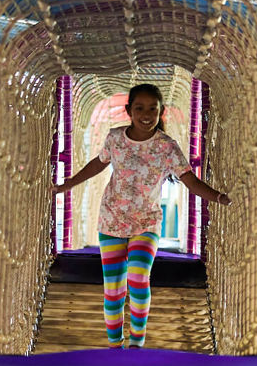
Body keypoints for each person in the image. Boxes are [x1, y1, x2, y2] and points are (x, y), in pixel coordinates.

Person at [54, 83, 231, 349]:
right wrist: (67, 184)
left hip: (146, 223)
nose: (146, 114)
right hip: (112, 220)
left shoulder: (167, 147)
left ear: (161, 112)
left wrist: (218, 196)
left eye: (152, 108)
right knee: (113, 289)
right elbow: (97, 164)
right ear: (129, 110)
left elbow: (189, 180)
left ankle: (137, 341)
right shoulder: (115, 138)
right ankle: (116, 346)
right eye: (140, 108)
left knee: (138, 277)